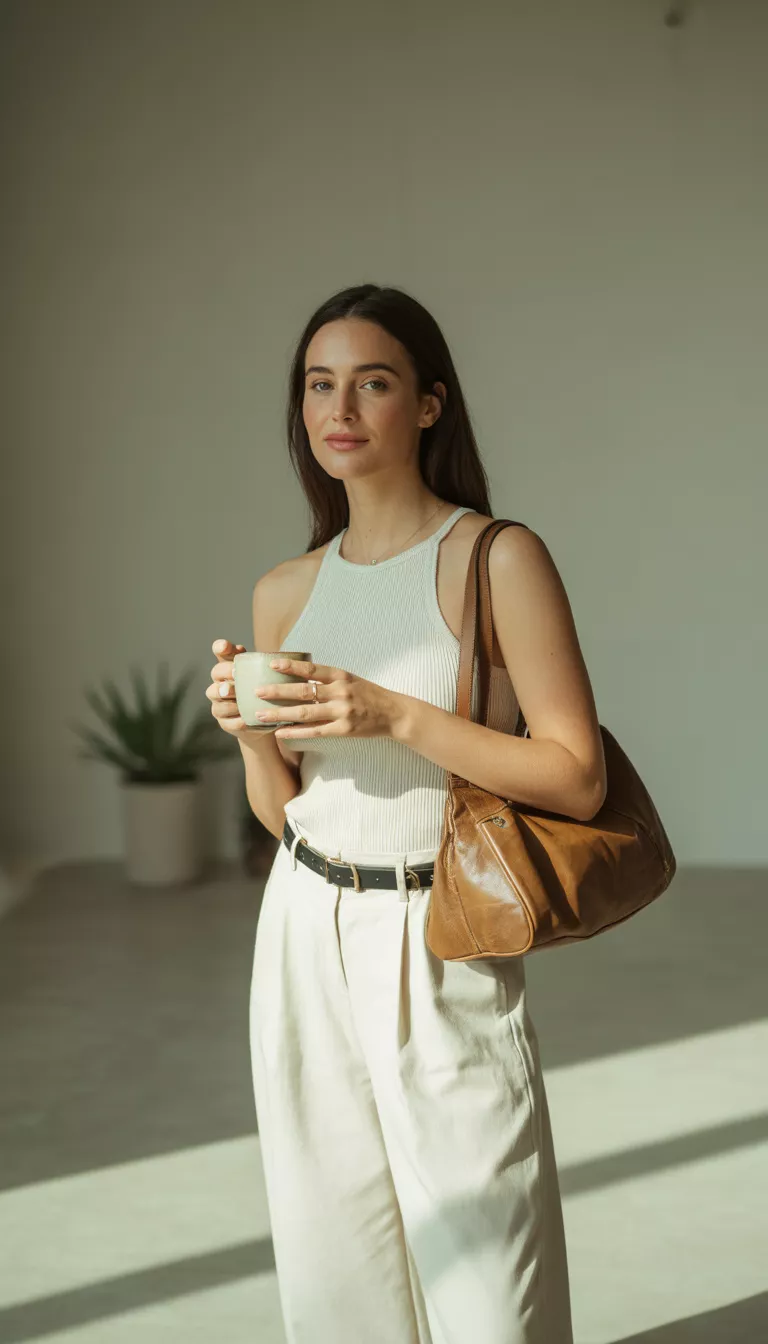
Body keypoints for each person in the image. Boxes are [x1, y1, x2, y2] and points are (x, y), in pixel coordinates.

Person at [206, 283, 607, 1344]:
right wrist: (250, 734)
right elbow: (284, 816)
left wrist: (395, 713)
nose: (341, 407)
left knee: (490, 1276)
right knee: (335, 1261)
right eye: (319, 384)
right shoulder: (285, 590)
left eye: (372, 382)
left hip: (441, 935)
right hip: (303, 931)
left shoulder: (494, 558)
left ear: (428, 405)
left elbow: (576, 777)